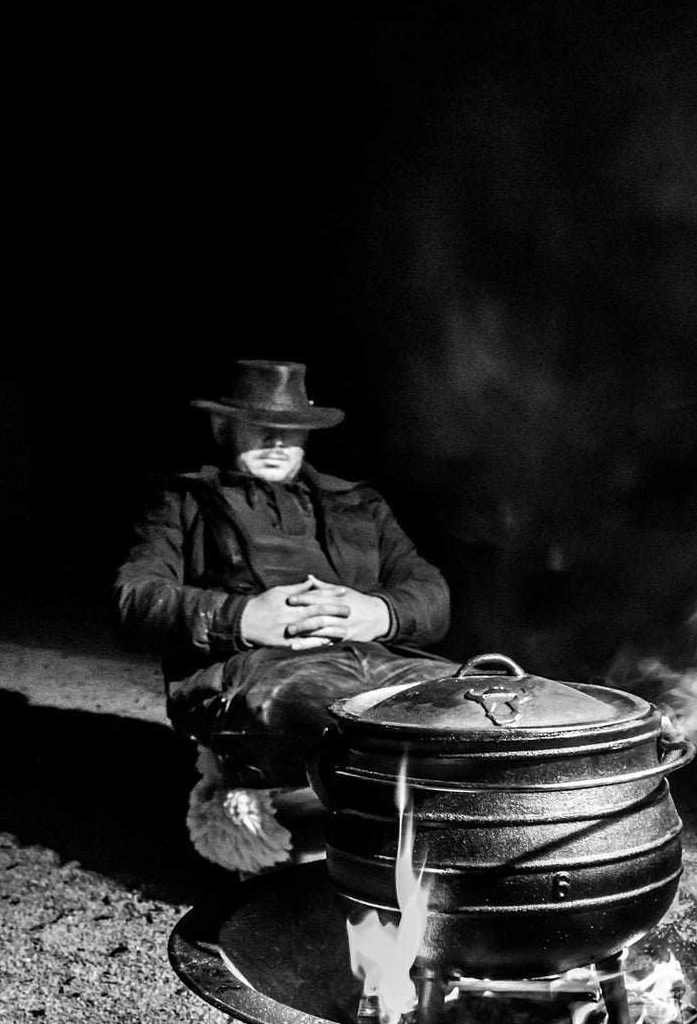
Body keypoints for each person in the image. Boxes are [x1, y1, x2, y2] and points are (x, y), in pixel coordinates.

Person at [114, 359, 455, 863]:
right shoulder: (184, 501)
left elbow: (431, 591)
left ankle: (457, 871)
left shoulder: (359, 503)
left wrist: (378, 612)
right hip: (261, 671)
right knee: (344, 727)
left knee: (483, 711)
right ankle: (322, 882)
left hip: (381, 660)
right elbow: (134, 597)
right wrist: (242, 618)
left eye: (290, 430)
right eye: (260, 427)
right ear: (222, 426)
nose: (277, 440)